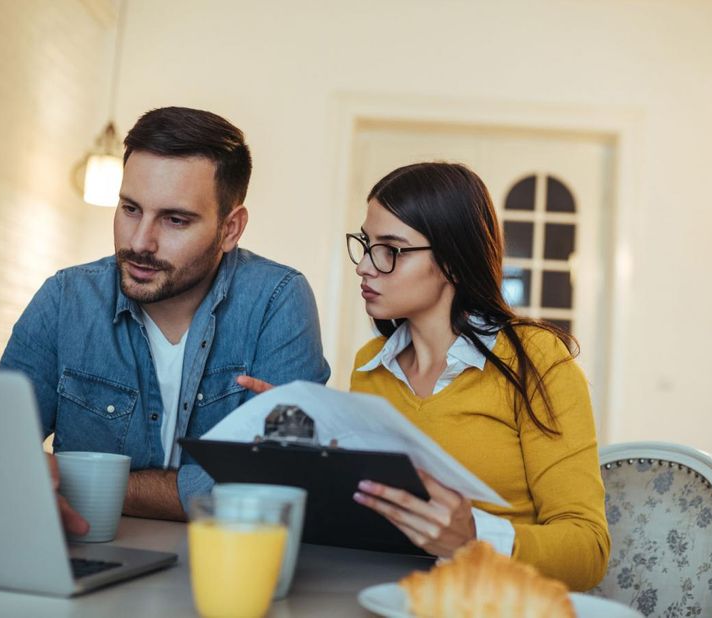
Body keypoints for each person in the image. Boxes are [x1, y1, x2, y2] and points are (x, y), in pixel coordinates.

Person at [238, 162, 609, 590]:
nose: (365, 266)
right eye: (366, 243)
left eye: (391, 249)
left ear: (453, 261)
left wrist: (473, 540)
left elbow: (589, 550)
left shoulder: (537, 362)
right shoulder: (370, 365)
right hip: (386, 597)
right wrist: (307, 450)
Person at [0, 107, 330, 535]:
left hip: (229, 565)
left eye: (175, 220)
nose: (139, 242)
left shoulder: (276, 300)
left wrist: (83, 484)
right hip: (87, 554)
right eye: (131, 209)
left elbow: (277, 480)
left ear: (231, 229)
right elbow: (0, 453)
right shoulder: (65, 300)